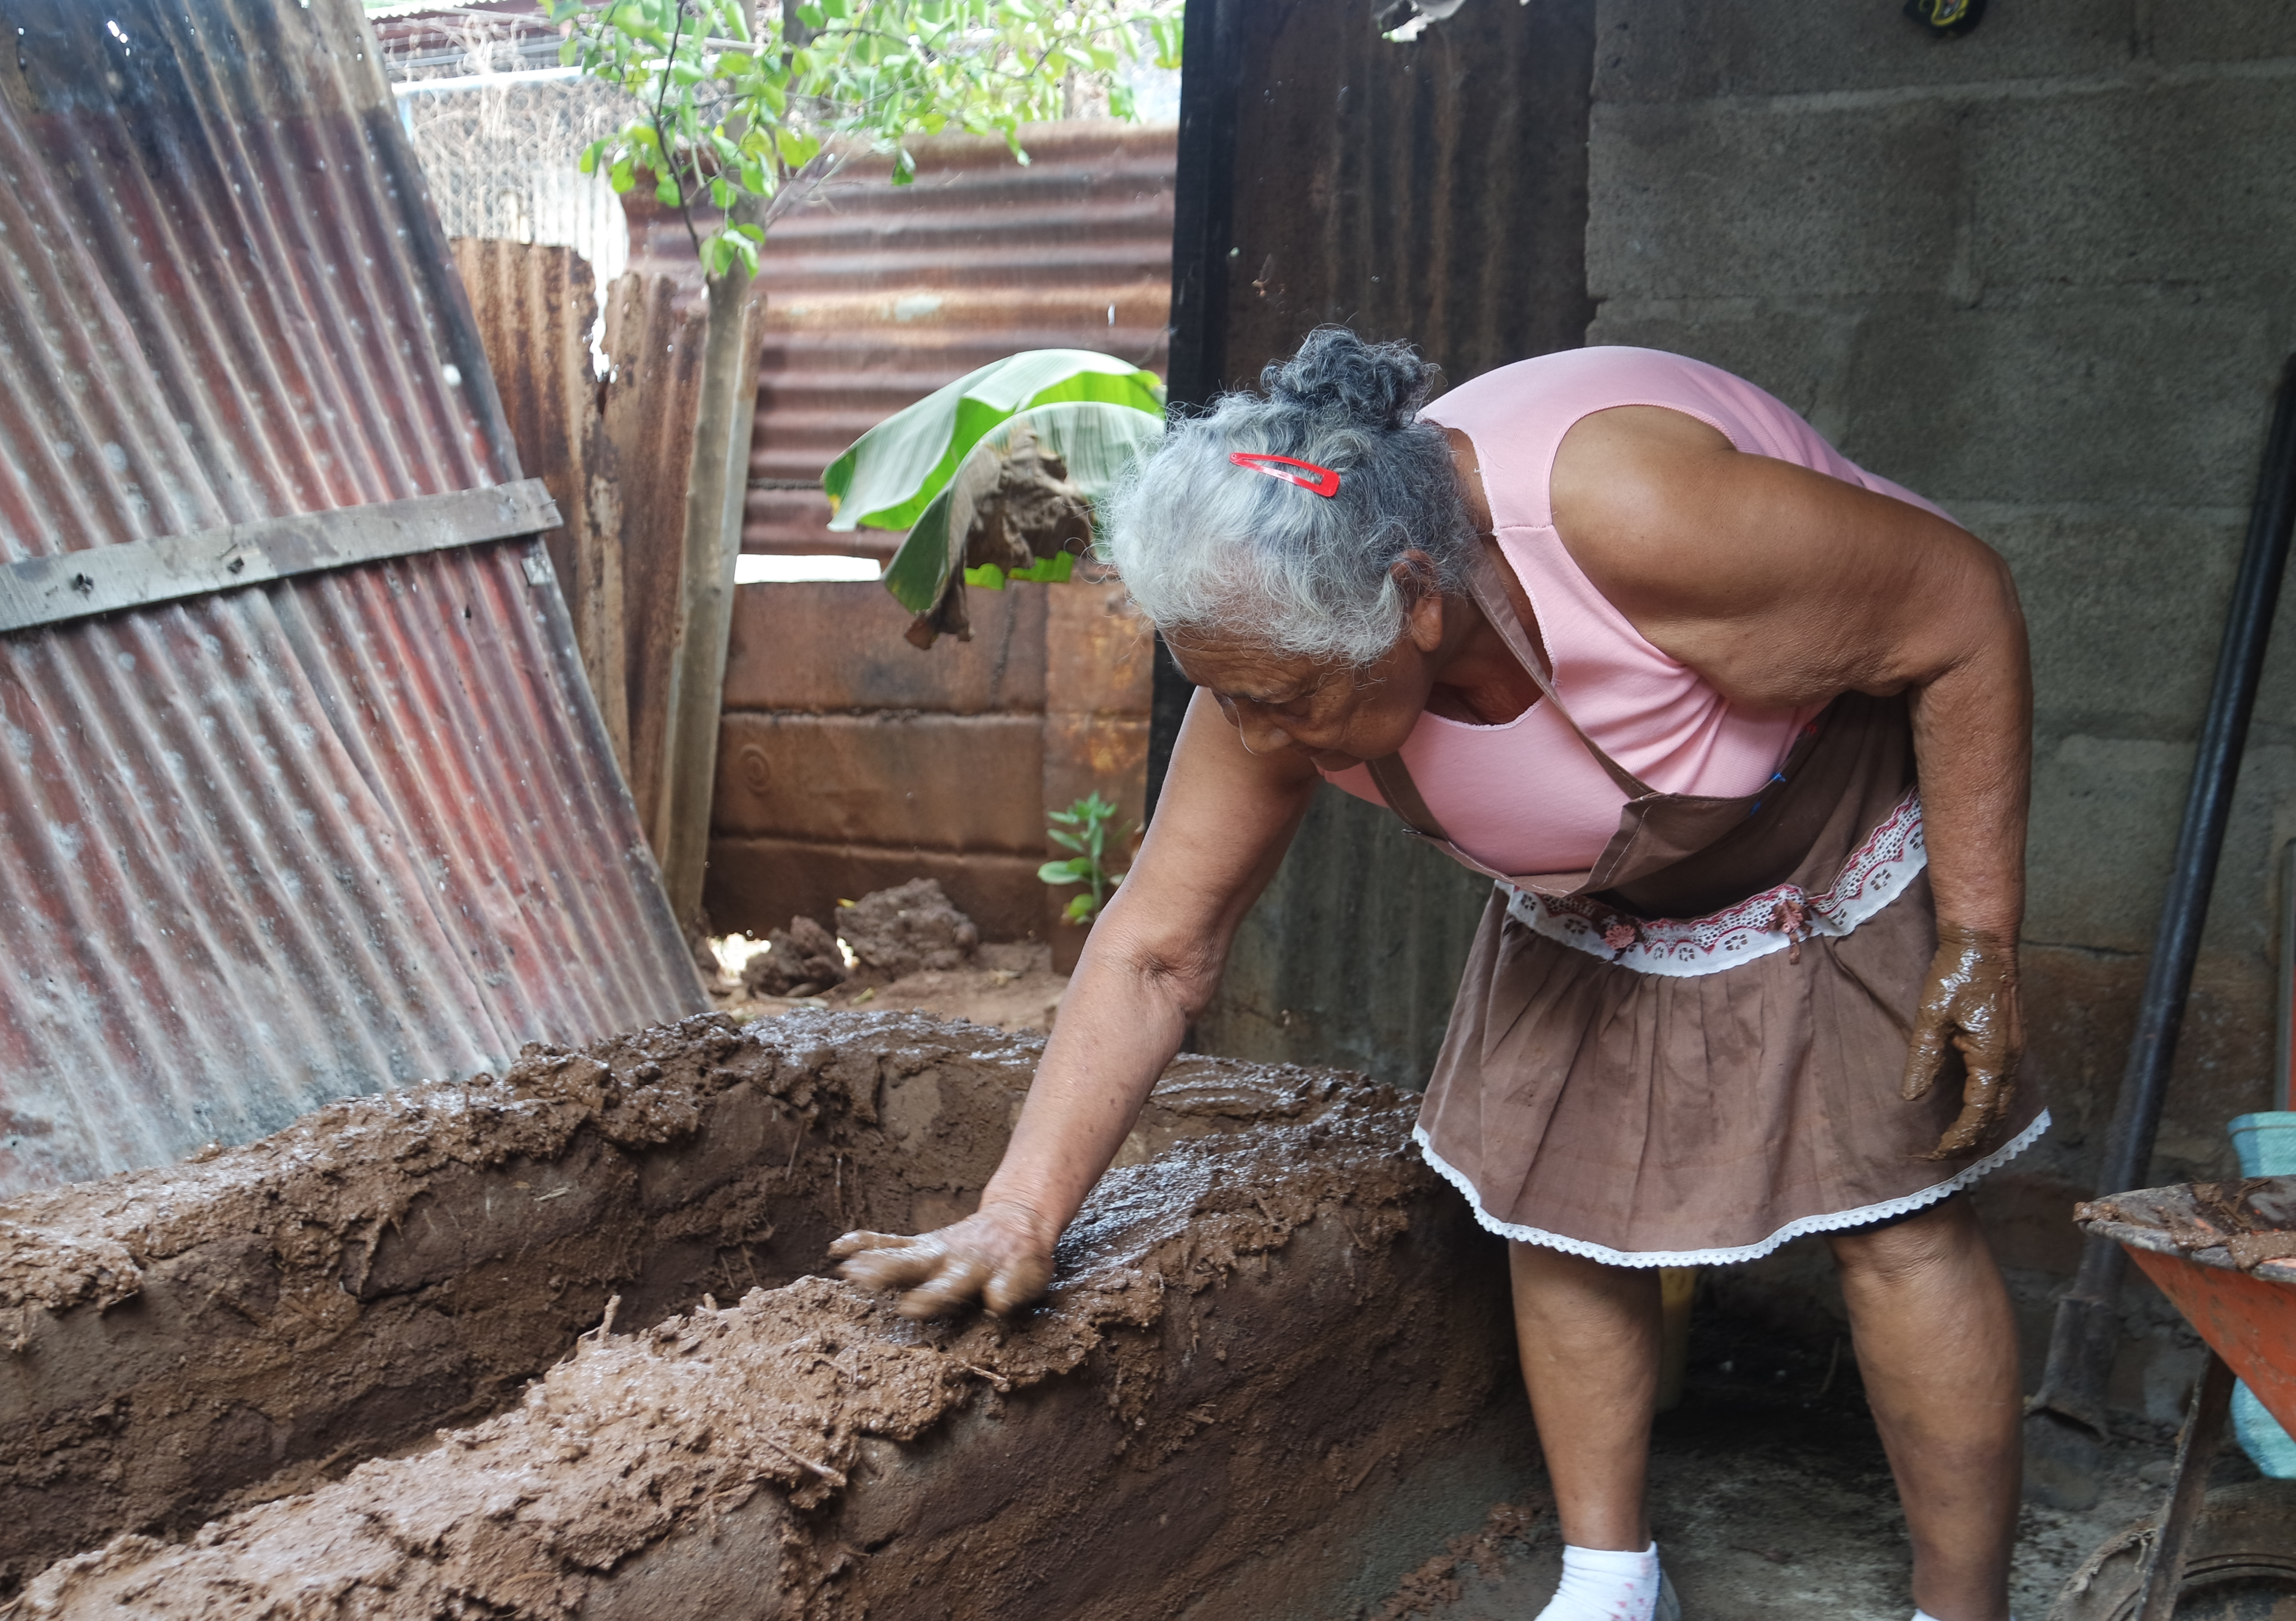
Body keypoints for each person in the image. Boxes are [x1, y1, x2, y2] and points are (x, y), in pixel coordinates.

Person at [830, 331, 2042, 1621]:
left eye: (1284, 701)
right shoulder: (1275, 645)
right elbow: (1158, 946)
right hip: (1594, 883)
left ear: (1417, 600)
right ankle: (1610, 1581)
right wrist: (1019, 1214)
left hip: (1817, 822)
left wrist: (1978, 934)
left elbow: (1962, 612)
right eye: (1222, 696)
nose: (1255, 739)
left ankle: (1959, 1608)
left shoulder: (1632, 518)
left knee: (1892, 1220)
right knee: (1561, 1213)